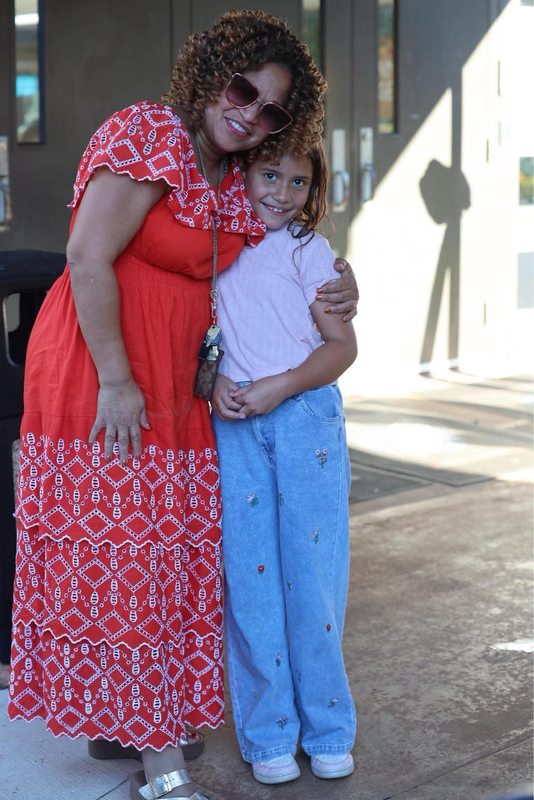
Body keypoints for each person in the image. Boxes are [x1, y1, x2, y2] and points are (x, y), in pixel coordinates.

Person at [7, 10, 358, 800]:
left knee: (164, 559)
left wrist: (343, 281)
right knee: (123, 555)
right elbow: (86, 258)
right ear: (211, 72)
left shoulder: (231, 178)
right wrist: (119, 380)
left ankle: (127, 719)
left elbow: (278, 258)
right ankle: (158, 760)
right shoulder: (148, 133)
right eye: (244, 90)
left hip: (177, 385)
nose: (251, 114)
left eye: (271, 109)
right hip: (105, 373)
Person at [211, 142, 357, 786]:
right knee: (251, 581)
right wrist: (211, 379)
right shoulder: (212, 244)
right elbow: (203, 334)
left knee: (313, 579)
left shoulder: (309, 252)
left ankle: (328, 727)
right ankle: (268, 734)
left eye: (299, 181)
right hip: (236, 425)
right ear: (240, 172)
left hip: (304, 423)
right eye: (270, 174)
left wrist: (283, 384)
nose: (283, 192)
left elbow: (341, 347)